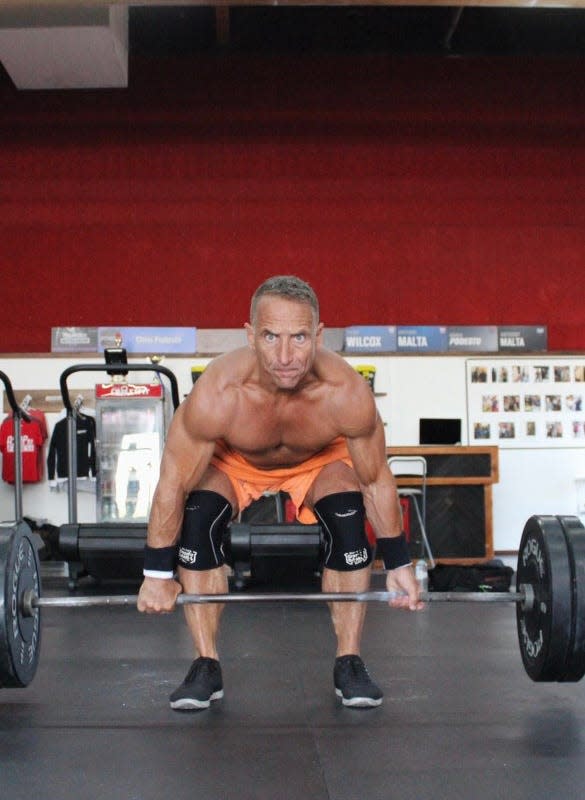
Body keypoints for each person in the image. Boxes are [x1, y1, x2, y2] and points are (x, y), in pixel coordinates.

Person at [137, 275, 423, 710]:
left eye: (299, 338)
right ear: (250, 335)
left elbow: (374, 478)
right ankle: (205, 665)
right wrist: (157, 575)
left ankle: (349, 660)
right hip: (234, 462)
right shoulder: (219, 393)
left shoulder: (345, 393)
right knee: (199, 514)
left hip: (319, 461)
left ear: (320, 336)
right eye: (271, 337)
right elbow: (173, 479)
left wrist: (399, 562)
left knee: (348, 516)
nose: (286, 356)